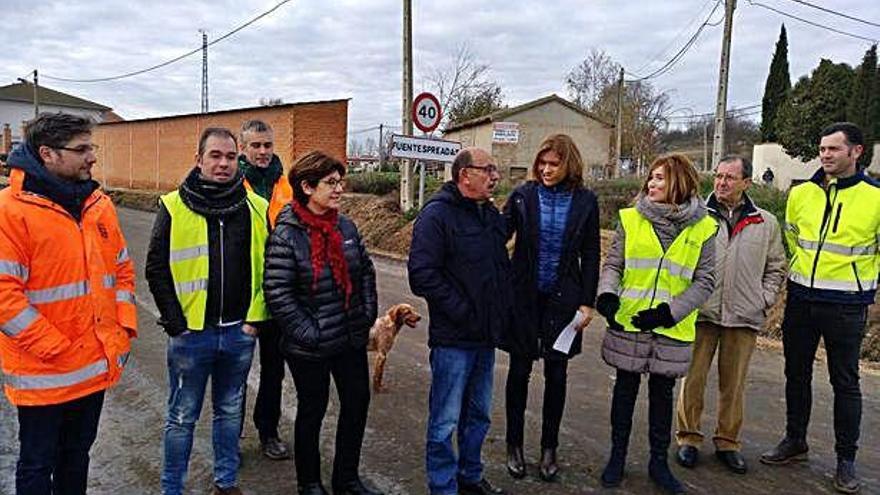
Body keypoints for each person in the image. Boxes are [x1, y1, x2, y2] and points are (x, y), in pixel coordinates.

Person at [0, 113, 137, 495]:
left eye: (91, 147)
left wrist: (123, 331)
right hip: (44, 373)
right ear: (47, 154)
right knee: (37, 465)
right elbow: (4, 296)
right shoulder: (9, 211)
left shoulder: (99, 205)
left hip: (93, 368)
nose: (92, 156)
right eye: (81, 149)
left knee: (77, 458)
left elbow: (122, 272)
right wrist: (56, 348)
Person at [146, 127, 271, 495]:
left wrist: (254, 320)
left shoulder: (257, 208)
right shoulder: (172, 205)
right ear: (198, 159)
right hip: (191, 336)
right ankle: (173, 489)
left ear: (239, 161)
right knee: (182, 418)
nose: (223, 163)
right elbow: (156, 268)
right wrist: (175, 322)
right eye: (215, 156)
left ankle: (226, 482)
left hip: (238, 333)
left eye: (231, 157)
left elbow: (269, 269)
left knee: (230, 414)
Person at [760, 122, 880, 494]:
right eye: (822, 148)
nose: (825, 154)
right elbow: (793, 237)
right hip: (801, 298)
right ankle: (795, 440)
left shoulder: (876, 197)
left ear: (856, 152)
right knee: (795, 373)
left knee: (845, 382)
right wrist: (798, 278)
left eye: (833, 149)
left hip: (847, 303)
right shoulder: (802, 194)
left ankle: (846, 461)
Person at [595, 153, 717, 495]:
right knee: (625, 391)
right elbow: (614, 265)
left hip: (671, 327)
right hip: (629, 320)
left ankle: (658, 463)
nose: (651, 183)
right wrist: (606, 294)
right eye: (651, 177)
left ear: (679, 181)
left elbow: (705, 281)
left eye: (660, 178)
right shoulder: (631, 219)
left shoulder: (705, 226)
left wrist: (668, 313)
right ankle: (617, 458)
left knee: (662, 397)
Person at [263, 150, 381, 495]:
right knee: (312, 411)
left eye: (340, 181)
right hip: (309, 346)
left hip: (349, 337)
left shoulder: (345, 226)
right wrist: (310, 334)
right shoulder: (287, 233)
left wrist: (366, 316)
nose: (339, 189)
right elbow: (278, 293)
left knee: (357, 404)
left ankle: (347, 479)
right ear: (307, 186)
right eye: (331, 183)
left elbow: (366, 273)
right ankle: (310, 484)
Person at [409, 147, 513, 495]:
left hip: (484, 337)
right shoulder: (437, 216)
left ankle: (470, 476)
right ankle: (442, 486)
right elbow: (422, 275)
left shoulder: (486, 214)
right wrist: (463, 312)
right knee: (445, 420)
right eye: (488, 170)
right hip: (454, 339)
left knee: (479, 415)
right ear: (464, 174)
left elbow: (498, 263)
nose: (494, 176)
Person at [674, 155, 786, 475]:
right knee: (692, 379)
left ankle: (728, 442)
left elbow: (776, 266)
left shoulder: (766, 223)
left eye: (729, 178)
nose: (721, 182)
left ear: (746, 183)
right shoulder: (695, 216)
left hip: (743, 315)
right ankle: (688, 438)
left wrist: (763, 299)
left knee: (733, 384)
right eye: (718, 176)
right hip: (700, 312)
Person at [500, 134, 600, 482]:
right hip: (523, 297)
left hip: (564, 300)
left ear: (568, 164)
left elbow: (591, 254)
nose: (545, 169)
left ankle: (549, 449)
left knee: (557, 376)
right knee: (519, 372)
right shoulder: (523, 196)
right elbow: (499, 235)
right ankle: (514, 445)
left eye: (553, 164)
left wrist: (588, 302)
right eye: (541, 163)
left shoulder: (586, 200)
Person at [237, 119, 293, 460]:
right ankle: (231, 435)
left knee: (274, 372)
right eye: (255, 145)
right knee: (236, 373)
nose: (262, 151)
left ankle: (268, 431)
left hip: (279, 295)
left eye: (267, 145)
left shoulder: (287, 185)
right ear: (243, 148)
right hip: (241, 295)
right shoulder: (231, 183)